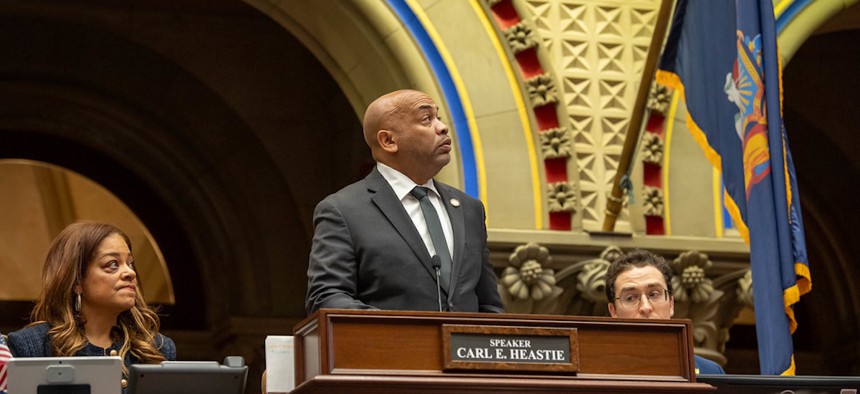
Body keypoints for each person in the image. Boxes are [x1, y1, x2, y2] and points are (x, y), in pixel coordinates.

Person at [306, 89, 504, 313]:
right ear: (389, 140)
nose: (442, 127)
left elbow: (489, 304)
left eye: (438, 117)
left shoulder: (470, 209)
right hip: (391, 347)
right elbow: (327, 297)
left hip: (465, 347)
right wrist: (400, 332)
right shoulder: (343, 211)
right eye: (426, 119)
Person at [7, 221, 176, 385]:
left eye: (130, 263)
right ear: (77, 282)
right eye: (112, 264)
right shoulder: (32, 347)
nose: (130, 272)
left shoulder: (157, 349)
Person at [605, 249, 725, 374]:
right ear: (613, 311)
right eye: (630, 298)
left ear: (671, 304)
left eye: (654, 294)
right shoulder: (594, 371)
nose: (645, 307)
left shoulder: (710, 372)